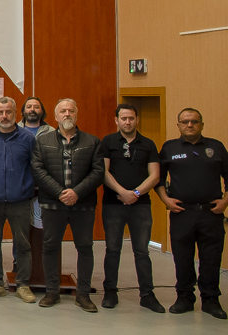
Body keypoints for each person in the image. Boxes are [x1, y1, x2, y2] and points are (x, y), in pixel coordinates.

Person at [31, 98, 103, 312]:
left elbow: (98, 172)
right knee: (50, 246)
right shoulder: (43, 141)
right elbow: (38, 170)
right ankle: (52, 292)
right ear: (55, 116)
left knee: (85, 247)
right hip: (53, 204)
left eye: (71, 110)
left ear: (76, 114)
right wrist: (60, 193)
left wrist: (76, 192)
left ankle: (83, 295)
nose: (67, 114)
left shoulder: (92, 142)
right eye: (63, 111)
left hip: (83, 205)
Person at [156, 108, 228, 319]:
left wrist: (226, 201)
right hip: (182, 213)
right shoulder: (169, 148)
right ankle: (185, 297)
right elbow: (158, 178)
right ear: (178, 125)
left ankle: (211, 299)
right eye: (185, 121)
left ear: (202, 125)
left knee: (211, 258)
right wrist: (165, 199)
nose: (190, 125)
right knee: (182, 257)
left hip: (211, 213)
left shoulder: (216, 147)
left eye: (194, 121)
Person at [99, 102, 162, 312]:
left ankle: (147, 295)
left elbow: (155, 175)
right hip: (113, 204)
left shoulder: (148, 144)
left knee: (142, 251)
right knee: (112, 249)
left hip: (141, 205)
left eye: (131, 118)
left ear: (137, 120)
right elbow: (104, 172)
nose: (127, 122)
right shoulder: (108, 142)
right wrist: (122, 192)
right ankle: (110, 292)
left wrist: (135, 194)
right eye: (123, 118)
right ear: (116, 120)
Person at [0, 96, 38, 304]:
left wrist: (24, 187)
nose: (4, 116)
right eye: (0, 112)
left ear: (16, 113)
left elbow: (34, 166)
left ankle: (23, 284)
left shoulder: (27, 138)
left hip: (20, 200)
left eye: (8, 112)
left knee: (22, 244)